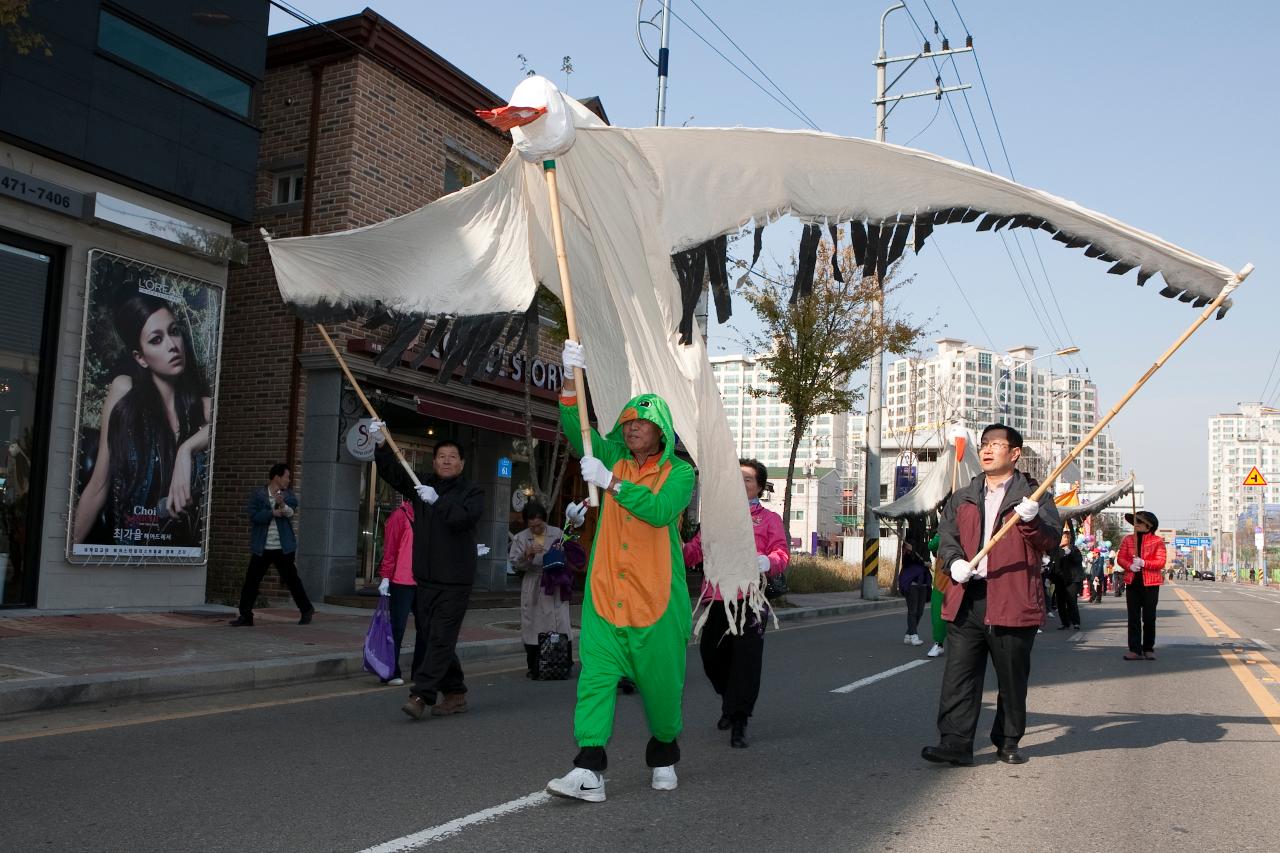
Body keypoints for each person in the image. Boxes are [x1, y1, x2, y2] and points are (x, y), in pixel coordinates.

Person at [545, 340, 695, 803]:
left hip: (658, 601)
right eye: (628, 422)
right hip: (607, 594)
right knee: (595, 677)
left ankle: (665, 749)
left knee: (662, 690)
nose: (632, 429)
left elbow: (658, 509)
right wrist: (571, 380)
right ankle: (589, 767)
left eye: (642, 423)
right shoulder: (609, 453)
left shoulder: (681, 473)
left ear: (661, 431)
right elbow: (577, 427)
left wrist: (611, 482)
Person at [922, 423, 1059, 767]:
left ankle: (1008, 739)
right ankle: (955, 742)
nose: (986, 450)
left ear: (1014, 454)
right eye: (984, 444)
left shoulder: (1035, 496)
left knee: (1011, 676)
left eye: (996, 444)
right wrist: (953, 563)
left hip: (1012, 597)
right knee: (960, 676)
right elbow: (947, 536)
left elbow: (1050, 542)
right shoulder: (964, 495)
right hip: (968, 596)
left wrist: (1031, 521)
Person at [366, 427, 486, 719]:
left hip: (455, 580)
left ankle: (421, 695)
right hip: (425, 579)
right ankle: (455, 693)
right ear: (433, 462)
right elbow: (395, 475)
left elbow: (462, 519)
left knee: (440, 638)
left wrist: (439, 502)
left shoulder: (472, 492)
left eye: (452, 457)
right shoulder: (422, 487)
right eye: (441, 457)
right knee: (435, 636)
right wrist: (381, 445)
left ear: (461, 463)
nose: (446, 461)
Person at [73, 295, 211, 547]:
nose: (172, 345)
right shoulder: (125, 391)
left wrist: (186, 450)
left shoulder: (201, 406)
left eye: (174, 332)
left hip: (179, 555)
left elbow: (227, 428)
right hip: (127, 549)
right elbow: (98, 485)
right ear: (141, 358)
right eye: (156, 339)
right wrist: (67, 552)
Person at [682, 458, 789, 749]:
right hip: (718, 598)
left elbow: (781, 553)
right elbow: (693, 553)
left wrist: (767, 560)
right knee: (711, 655)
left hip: (751, 600)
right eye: (736, 478)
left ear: (759, 487)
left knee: (746, 661)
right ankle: (731, 700)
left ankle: (739, 720)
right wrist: (673, 547)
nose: (741, 484)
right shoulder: (716, 519)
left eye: (748, 480)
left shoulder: (769, 520)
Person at [229, 464, 314, 626]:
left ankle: (306, 610)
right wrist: (271, 513)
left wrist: (282, 505)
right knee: (251, 581)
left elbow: (291, 511)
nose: (288, 480)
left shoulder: (288, 495)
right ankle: (246, 616)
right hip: (262, 547)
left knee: (292, 580)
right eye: (287, 477)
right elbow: (253, 516)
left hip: (283, 547)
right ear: (276, 477)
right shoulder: (259, 495)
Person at [509, 501, 576, 680]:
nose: (536, 529)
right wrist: (528, 554)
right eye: (532, 526)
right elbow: (515, 564)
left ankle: (563, 663)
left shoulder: (557, 533)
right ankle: (535, 666)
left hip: (555, 583)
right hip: (533, 582)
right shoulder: (521, 538)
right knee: (533, 625)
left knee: (560, 622)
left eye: (539, 525)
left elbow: (568, 555)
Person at [376, 498, 422, 687]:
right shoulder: (399, 516)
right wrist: (385, 576)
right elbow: (390, 549)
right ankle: (389, 671)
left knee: (426, 627)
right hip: (402, 580)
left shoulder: (428, 517)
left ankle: (420, 670)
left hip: (423, 581)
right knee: (397, 628)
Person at [1118, 510, 1167, 661]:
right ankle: (1134, 649)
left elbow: (1161, 561)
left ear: (1148, 525)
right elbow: (1121, 558)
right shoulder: (1128, 539)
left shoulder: (1158, 541)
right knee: (1133, 617)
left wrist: (1144, 563)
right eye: (1135, 522)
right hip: (1133, 582)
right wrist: (1129, 566)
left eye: (1139, 522)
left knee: (1149, 617)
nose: (1135, 524)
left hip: (1150, 584)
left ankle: (1148, 648)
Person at [1048, 531, 1083, 630]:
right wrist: (1049, 577)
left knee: (1071, 601)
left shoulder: (1074, 549)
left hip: (1072, 579)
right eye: (1061, 537)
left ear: (1068, 539)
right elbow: (1053, 565)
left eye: (1064, 537)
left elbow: (1078, 561)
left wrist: (1070, 553)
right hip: (1060, 579)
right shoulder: (1056, 550)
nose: (1061, 539)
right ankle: (1065, 622)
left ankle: (1076, 622)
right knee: (1060, 602)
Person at [898, 541, 930, 646]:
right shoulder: (908, 552)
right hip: (912, 585)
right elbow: (907, 563)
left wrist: (927, 563)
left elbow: (927, 561)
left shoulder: (925, 548)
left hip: (924, 584)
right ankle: (914, 635)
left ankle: (908, 634)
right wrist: (911, 551)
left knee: (920, 611)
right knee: (913, 610)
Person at [926, 533, 946, 658]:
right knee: (938, 615)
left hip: (962, 582)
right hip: (941, 583)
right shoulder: (943, 535)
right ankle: (939, 643)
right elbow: (931, 545)